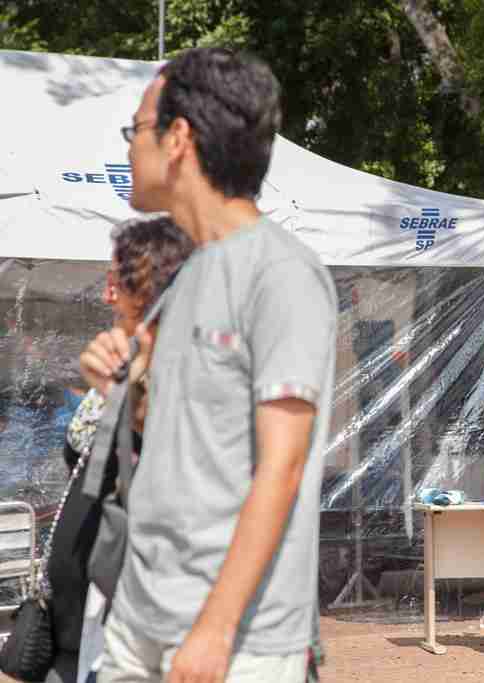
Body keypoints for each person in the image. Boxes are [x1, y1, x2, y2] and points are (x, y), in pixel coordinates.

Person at [78, 47, 337, 683]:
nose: (130, 147)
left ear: (178, 139)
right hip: (141, 616)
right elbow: (177, 441)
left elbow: (284, 465)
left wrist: (216, 629)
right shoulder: (188, 274)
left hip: (232, 638)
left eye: (136, 130)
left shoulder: (282, 273)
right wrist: (124, 382)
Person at [45, 217, 194, 683]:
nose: (106, 296)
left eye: (115, 282)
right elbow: (84, 462)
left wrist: (122, 400)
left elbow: (171, 476)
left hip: (143, 632)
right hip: (85, 625)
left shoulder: (190, 376)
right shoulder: (120, 358)